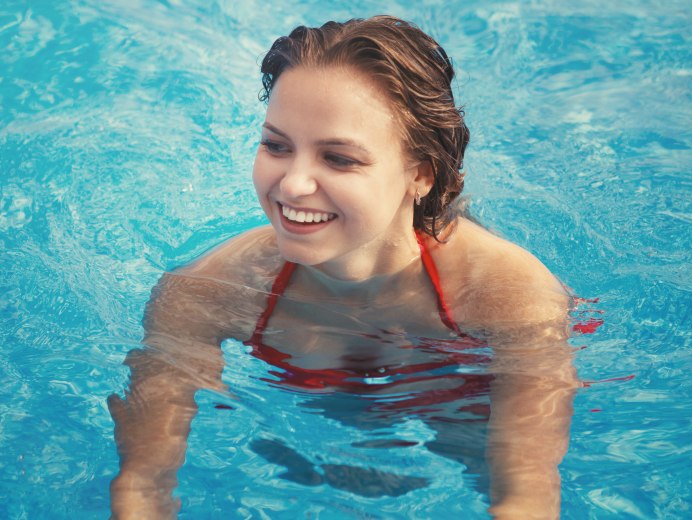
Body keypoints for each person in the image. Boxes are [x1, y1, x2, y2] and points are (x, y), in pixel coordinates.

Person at [108, 15, 578, 519]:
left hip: (458, 398)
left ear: (420, 173)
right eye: (276, 145)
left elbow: (527, 496)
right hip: (303, 422)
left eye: (339, 158)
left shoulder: (507, 297)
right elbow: (143, 484)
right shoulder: (208, 290)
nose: (291, 185)